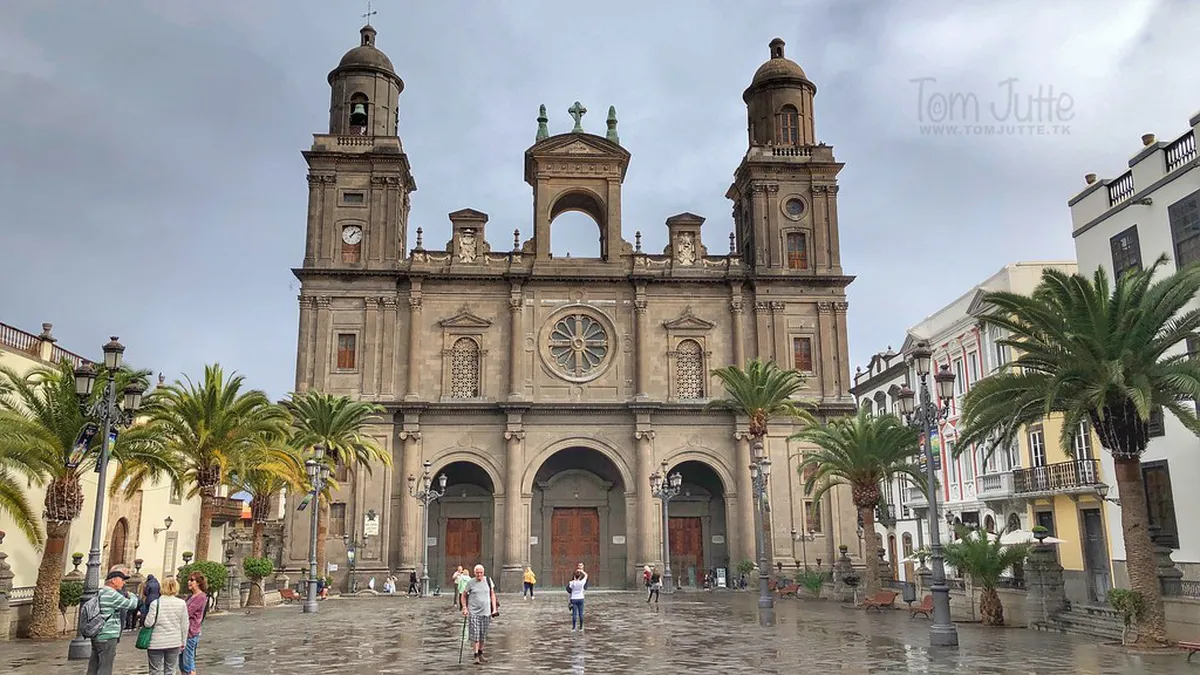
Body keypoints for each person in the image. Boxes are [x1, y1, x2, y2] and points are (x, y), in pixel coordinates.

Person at [87, 568, 140, 675]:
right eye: (122, 580)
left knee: (93, 666)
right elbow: (132, 605)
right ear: (113, 580)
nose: (124, 583)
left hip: (97, 633)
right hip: (108, 634)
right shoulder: (111, 594)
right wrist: (133, 596)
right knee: (105, 667)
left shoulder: (99, 592)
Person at [142, 575, 188, 675]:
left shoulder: (155, 603)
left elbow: (148, 623)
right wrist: (183, 641)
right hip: (174, 641)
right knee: (171, 670)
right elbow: (184, 625)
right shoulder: (181, 603)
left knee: (155, 670)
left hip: (156, 642)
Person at [461, 564, 498, 665]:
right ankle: (475, 655)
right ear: (474, 573)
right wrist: (464, 607)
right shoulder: (470, 583)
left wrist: (494, 609)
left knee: (483, 635)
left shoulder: (488, 581)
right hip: (474, 613)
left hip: (486, 612)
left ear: (483, 572)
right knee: (476, 634)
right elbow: (463, 596)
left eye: (481, 573)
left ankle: (481, 653)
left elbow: (492, 595)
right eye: (477, 573)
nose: (479, 575)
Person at [180, 572, 208, 675]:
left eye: (192, 580)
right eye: (189, 580)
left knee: (188, 663)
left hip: (191, 632)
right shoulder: (190, 596)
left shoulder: (201, 597)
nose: (189, 582)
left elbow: (187, 612)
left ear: (199, 583)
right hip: (184, 632)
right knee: (182, 664)